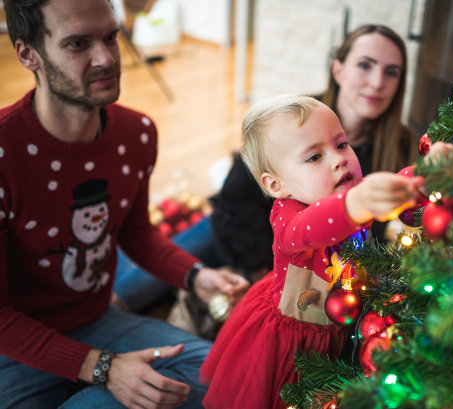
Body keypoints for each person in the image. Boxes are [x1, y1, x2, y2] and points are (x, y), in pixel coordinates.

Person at [0, 0, 249, 408]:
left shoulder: (137, 133)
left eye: (111, 37)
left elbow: (135, 233)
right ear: (28, 53)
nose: (106, 58)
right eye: (78, 44)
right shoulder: (4, 153)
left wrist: (195, 277)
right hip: (16, 348)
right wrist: (104, 369)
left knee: (221, 375)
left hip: (97, 321)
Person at [112, 23, 416, 318]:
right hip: (243, 232)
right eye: (365, 65)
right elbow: (235, 201)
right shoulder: (292, 120)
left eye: (392, 72)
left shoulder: (397, 144)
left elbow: (373, 224)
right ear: (338, 70)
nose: (378, 82)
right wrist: (265, 269)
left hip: (319, 274)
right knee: (143, 281)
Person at [199, 94, 425, 409]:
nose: (339, 159)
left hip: (344, 323)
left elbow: (395, 188)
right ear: (277, 185)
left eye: (342, 144)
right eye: (314, 157)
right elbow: (307, 229)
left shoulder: (351, 196)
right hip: (290, 343)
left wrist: (428, 174)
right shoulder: (288, 215)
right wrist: (356, 204)